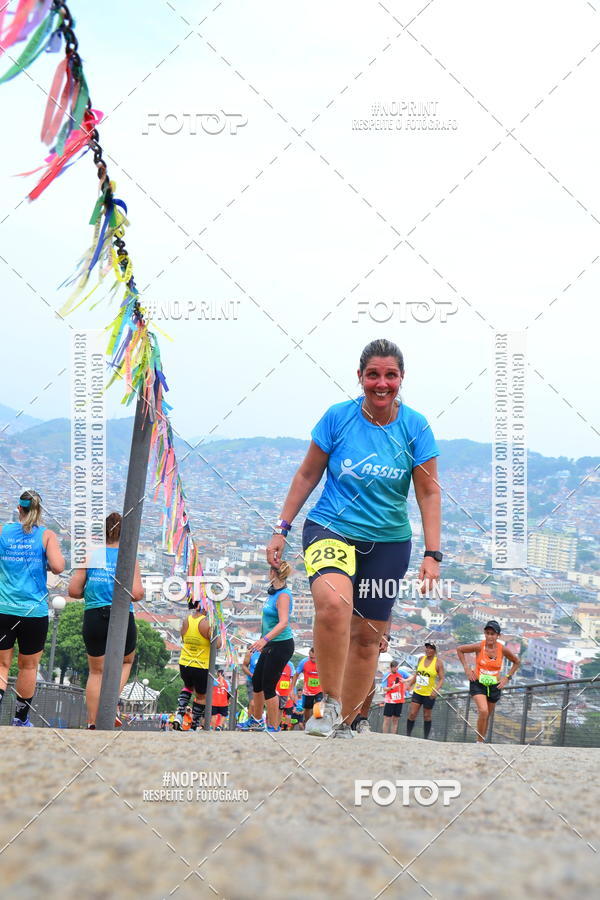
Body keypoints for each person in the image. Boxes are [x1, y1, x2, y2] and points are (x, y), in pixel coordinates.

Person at [267, 339, 441, 738]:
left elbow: (428, 491)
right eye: (373, 375)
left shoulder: (415, 427)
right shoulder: (338, 418)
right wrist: (282, 528)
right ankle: (326, 706)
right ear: (360, 377)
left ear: (401, 379)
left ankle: (347, 720)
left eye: (390, 375)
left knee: (367, 640)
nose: (382, 384)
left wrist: (433, 553)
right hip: (332, 527)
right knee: (333, 603)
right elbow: (307, 474)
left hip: (389, 542)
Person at [69, 512, 143, 729]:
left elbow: (73, 590)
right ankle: (109, 707)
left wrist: (92, 593)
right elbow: (137, 593)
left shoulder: (91, 555)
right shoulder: (129, 557)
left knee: (96, 671)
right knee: (126, 661)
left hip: (94, 616)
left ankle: (92, 722)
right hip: (121, 615)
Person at [0, 491, 65, 727]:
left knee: (1, 665)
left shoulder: (3, 532)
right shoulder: (46, 535)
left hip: (4, 609)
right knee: (28, 666)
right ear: (39, 510)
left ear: (19, 509)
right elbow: (59, 567)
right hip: (33, 612)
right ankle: (20, 718)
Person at [246, 562, 294, 732]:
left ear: (274, 573)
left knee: (268, 686)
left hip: (281, 645)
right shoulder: (272, 594)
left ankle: (274, 726)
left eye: (270, 570)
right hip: (269, 643)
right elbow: (267, 622)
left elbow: (283, 623)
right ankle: (257, 720)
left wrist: (264, 640)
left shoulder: (283, 596)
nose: (268, 573)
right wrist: (260, 641)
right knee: (257, 681)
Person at [456, 620, 521, 743]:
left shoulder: (502, 649)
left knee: (486, 716)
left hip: (494, 686)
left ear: (498, 636)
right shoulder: (479, 646)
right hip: (478, 683)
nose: (490, 636)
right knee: (483, 711)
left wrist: (507, 677)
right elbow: (460, 650)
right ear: (485, 634)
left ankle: (480, 741)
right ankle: (479, 742)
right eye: (487, 633)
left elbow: (517, 662)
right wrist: (467, 669)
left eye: (493, 634)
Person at [173, 596, 220, 732]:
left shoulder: (186, 620)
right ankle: (194, 724)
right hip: (201, 665)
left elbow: (183, 637)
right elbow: (217, 644)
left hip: (185, 662)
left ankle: (180, 714)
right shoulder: (207, 623)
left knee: (187, 686)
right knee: (201, 696)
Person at [351, 627, 392, 733]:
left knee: (368, 674)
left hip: (372, 633)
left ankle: (362, 720)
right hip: (350, 630)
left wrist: (385, 636)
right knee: (347, 673)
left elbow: (387, 611)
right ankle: (344, 716)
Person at [405, 642, 445, 739]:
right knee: (412, 713)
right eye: (427, 647)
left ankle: (425, 738)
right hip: (418, 691)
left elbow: (442, 678)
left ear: (435, 651)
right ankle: (408, 735)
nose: (428, 650)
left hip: (429, 693)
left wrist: (435, 690)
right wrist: (410, 684)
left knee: (427, 715)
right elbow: (417, 674)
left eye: (431, 648)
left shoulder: (438, 663)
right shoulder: (420, 659)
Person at [294, 647, 322, 724]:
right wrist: (292, 688)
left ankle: (317, 724)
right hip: (308, 691)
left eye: (314, 658)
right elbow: (296, 674)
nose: (312, 659)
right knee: (307, 708)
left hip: (320, 690)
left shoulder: (323, 662)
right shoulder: (304, 662)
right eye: (311, 657)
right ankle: (307, 723)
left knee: (318, 706)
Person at [381, 660, 409, 734]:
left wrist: (405, 680)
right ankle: (384, 735)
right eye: (395, 669)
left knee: (396, 719)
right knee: (387, 718)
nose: (396, 670)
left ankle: (393, 736)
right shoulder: (386, 675)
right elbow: (384, 689)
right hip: (390, 700)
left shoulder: (401, 673)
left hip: (399, 700)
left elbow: (412, 677)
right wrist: (391, 687)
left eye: (397, 668)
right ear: (391, 668)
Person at [275, 658, 296, 728]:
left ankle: (279, 726)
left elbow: (293, 678)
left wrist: (292, 690)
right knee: (275, 708)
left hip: (285, 691)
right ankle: (273, 725)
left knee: (281, 709)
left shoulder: (290, 665)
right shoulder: (274, 663)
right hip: (275, 690)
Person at [241, 645, 261, 710]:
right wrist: (251, 675)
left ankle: (260, 719)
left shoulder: (270, 653)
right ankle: (251, 719)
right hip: (252, 681)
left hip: (264, 682)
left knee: (261, 704)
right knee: (252, 704)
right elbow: (244, 666)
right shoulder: (251, 653)